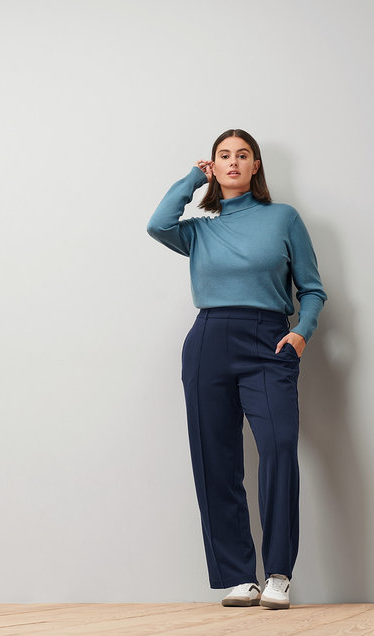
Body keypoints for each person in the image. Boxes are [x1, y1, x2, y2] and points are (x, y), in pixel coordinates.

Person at [147, 129, 327, 610]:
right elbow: (157, 224)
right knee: (215, 459)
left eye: (241, 155)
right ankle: (238, 576)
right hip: (209, 341)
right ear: (214, 166)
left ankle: (278, 574)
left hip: (269, 342)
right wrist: (191, 178)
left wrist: (301, 333)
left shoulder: (282, 218)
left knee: (279, 448)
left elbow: (311, 288)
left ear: (255, 165)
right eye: (222, 156)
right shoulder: (200, 229)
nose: (232, 162)